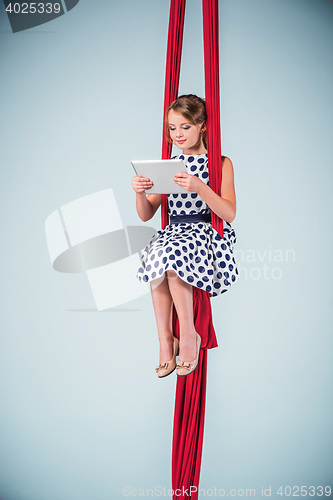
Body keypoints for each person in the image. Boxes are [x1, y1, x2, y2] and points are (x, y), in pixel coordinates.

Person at [132, 94, 239, 378]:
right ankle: (166, 341)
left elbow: (228, 214)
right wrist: (140, 192)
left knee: (170, 259)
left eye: (185, 127)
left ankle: (190, 336)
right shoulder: (169, 163)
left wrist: (199, 187)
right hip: (175, 231)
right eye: (172, 128)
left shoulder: (219, 163)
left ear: (202, 125)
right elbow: (146, 214)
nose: (177, 134)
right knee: (156, 259)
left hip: (205, 232)